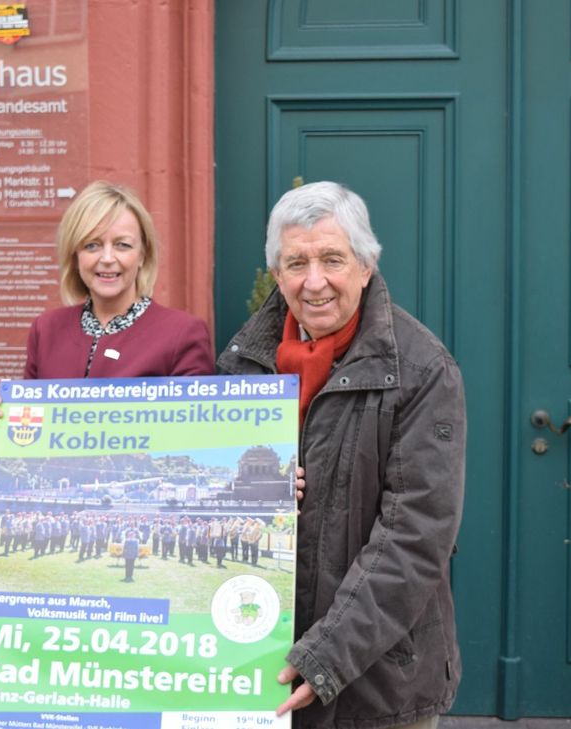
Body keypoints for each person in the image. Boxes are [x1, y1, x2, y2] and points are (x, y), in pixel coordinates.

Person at [217, 181, 466, 729]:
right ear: (276, 274)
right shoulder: (241, 366)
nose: (314, 282)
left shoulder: (423, 370)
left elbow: (416, 536)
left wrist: (327, 656)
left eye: (332, 258)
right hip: (254, 662)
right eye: (295, 263)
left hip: (378, 685)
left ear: (365, 265)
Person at [24, 179, 214, 378]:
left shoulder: (182, 333)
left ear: (142, 255)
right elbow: (29, 407)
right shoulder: (46, 330)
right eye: (92, 245)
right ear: (75, 255)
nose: (107, 258)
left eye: (122, 245)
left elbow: (192, 409)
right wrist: (8, 409)